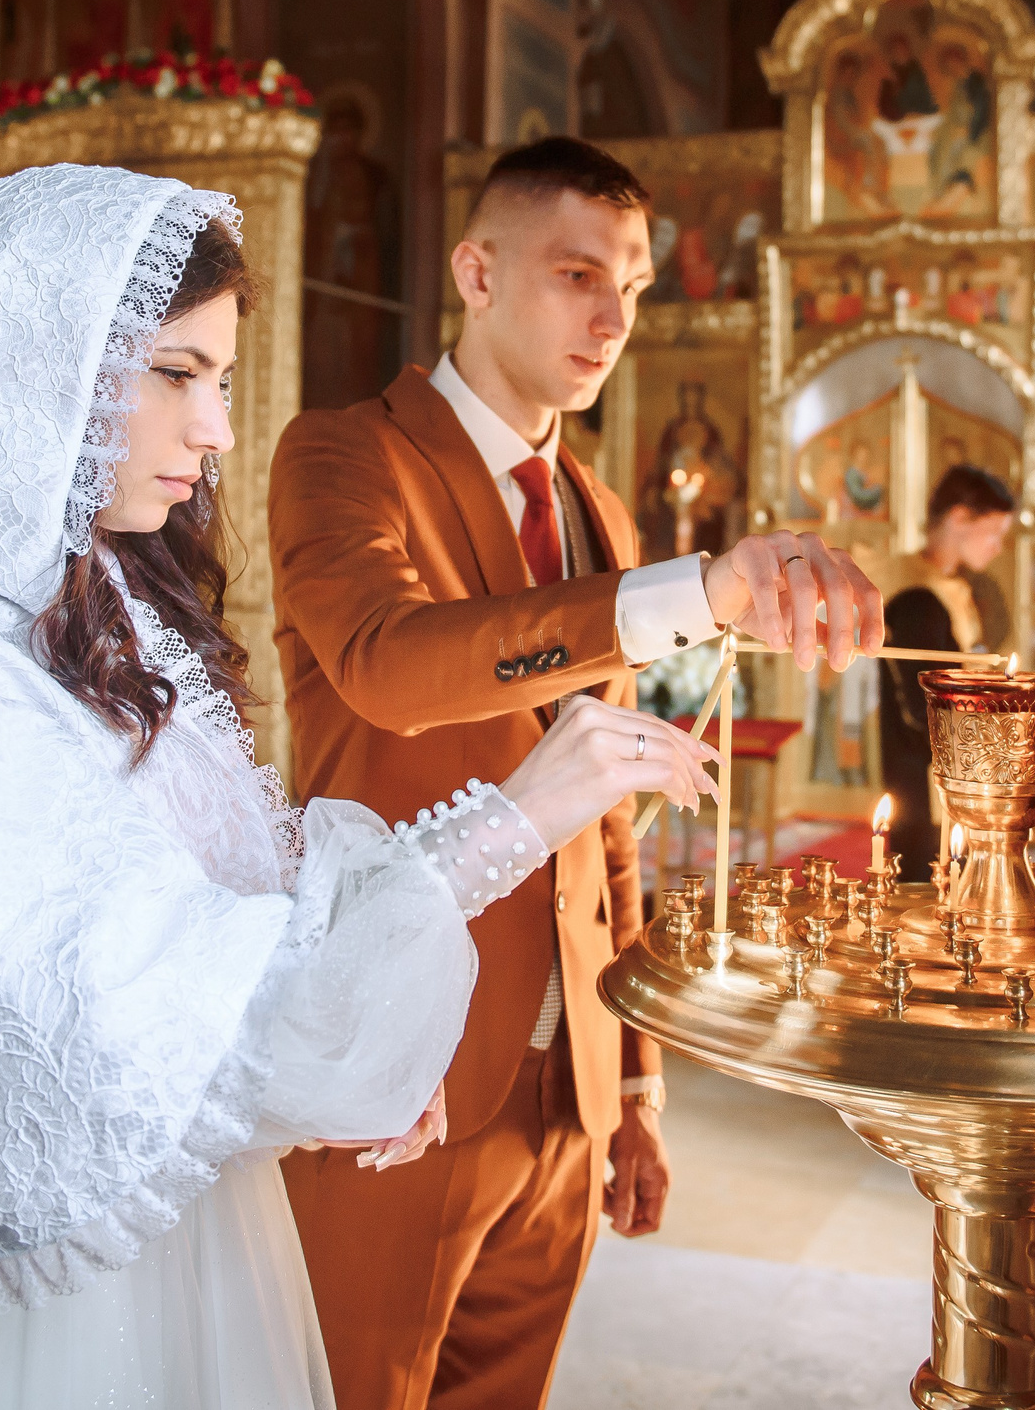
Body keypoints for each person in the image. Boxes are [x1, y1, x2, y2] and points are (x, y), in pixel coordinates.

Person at [0, 164, 719, 1410]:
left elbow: (248, 902)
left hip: (200, 1228)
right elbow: (125, 992)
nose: (218, 431)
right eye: (177, 375)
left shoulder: (113, 606)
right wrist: (517, 813)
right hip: (49, 1286)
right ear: (47, 359)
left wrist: (370, 1009)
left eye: (219, 380)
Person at [270, 134, 882, 1410]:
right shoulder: (343, 454)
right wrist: (700, 590)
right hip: (405, 1059)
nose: (615, 317)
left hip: (569, 1080)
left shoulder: (598, 512)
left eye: (636, 285)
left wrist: (637, 1078)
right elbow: (387, 663)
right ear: (476, 272)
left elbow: (605, 808)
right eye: (577, 274)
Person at [877, 465, 1015, 880]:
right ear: (959, 519)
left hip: (952, 758)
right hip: (925, 769)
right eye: (994, 533)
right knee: (928, 883)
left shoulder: (951, 585)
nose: (998, 547)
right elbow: (923, 705)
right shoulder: (918, 596)